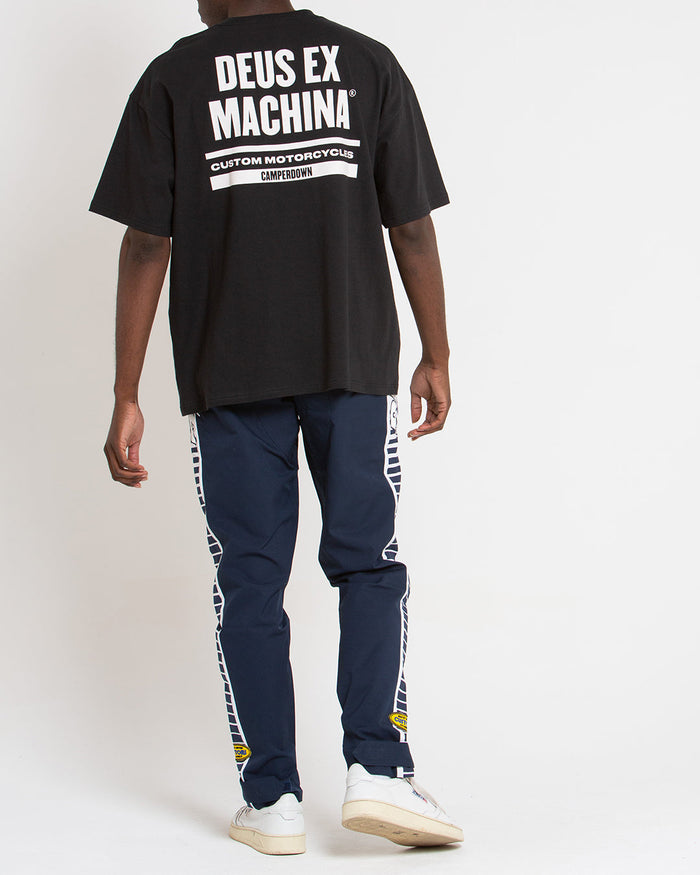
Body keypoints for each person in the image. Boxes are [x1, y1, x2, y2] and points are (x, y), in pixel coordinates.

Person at [90, 0, 462, 857]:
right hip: (351, 360)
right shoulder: (365, 62)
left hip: (229, 371)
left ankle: (273, 801)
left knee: (250, 583)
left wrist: (125, 391)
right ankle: (378, 768)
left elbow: (146, 244)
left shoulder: (176, 77)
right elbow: (410, 224)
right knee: (368, 562)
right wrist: (436, 353)